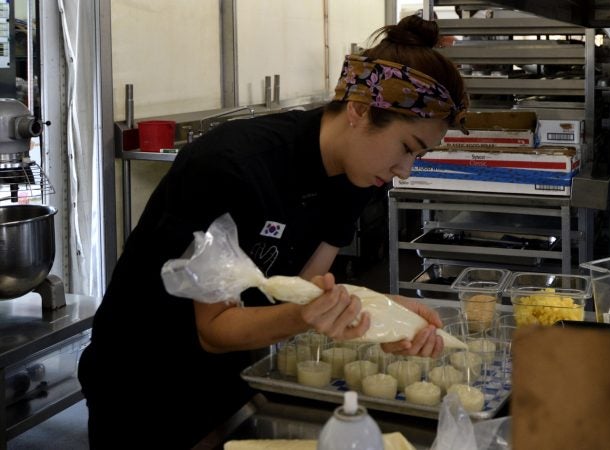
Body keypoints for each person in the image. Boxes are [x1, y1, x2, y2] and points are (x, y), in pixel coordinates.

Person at [77, 15, 468, 449]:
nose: (405, 171)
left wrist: (380, 318)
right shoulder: (231, 166)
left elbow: (302, 290)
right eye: (407, 148)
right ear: (358, 110)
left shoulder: (356, 178)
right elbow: (215, 328)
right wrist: (314, 315)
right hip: (142, 378)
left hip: (230, 375)